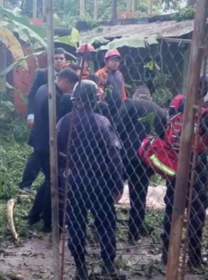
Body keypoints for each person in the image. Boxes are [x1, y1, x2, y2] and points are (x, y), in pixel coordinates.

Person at [56, 80, 126, 280]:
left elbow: (57, 155)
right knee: (105, 222)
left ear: (75, 100)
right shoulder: (102, 122)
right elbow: (114, 156)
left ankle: (80, 268)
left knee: (76, 222)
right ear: (96, 100)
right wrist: (118, 184)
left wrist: (59, 183)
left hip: (74, 179)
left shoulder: (64, 122)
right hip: (100, 181)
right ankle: (107, 265)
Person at [161, 76, 208, 268]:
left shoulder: (177, 102)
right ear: (205, 90)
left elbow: (167, 124)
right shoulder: (205, 112)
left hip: (175, 157)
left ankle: (166, 254)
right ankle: (193, 257)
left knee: (172, 206)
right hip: (197, 160)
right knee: (197, 209)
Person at [24, 68, 80, 231]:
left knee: (49, 181)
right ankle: (49, 223)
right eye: (71, 88)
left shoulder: (44, 87)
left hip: (39, 141)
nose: (70, 92)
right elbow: (56, 124)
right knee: (53, 183)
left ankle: (34, 216)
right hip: (47, 144)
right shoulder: (55, 98)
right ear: (66, 82)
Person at [116, 95, 167, 243]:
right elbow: (164, 137)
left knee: (113, 188)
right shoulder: (160, 112)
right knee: (139, 196)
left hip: (126, 155)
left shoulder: (130, 104)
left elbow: (118, 127)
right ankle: (134, 233)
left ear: (136, 95)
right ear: (150, 97)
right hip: (146, 158)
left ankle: (102, 224)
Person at [19, 47, 67, 192]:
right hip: (42, 118)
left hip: (58, 120)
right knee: (39, 151)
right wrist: (31, 114)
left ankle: (51, 184)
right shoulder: (42, 73)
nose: (58, 61)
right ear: (50, 60)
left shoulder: (67, 75)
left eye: (61, 58)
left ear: (65, 61)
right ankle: (26, 183)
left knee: (47, 153)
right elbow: (33, 94)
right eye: (56, 58)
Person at [96, 49, 127, 124]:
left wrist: (124, 101)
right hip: (106, 107)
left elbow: (122, 91)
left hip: (119, 107)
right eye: (113, 60)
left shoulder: (119, 74)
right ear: (106, 61)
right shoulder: (101, 73)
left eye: (117, 61)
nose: (116, 63)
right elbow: (97, 90)